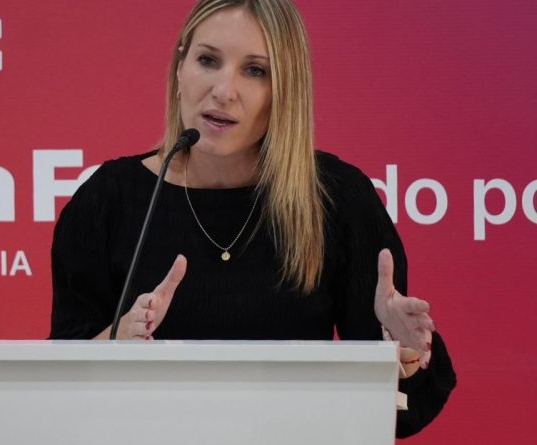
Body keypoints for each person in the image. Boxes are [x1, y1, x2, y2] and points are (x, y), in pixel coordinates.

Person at [49, 0, 455, 437]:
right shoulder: (107, 200)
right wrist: (115, 344)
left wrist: (401, 353)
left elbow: (402, 415)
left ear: (285, 92)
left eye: (255, 70)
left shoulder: (338, 199)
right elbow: (53, 394)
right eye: (208, 60)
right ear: (180, 69)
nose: (224, 90)